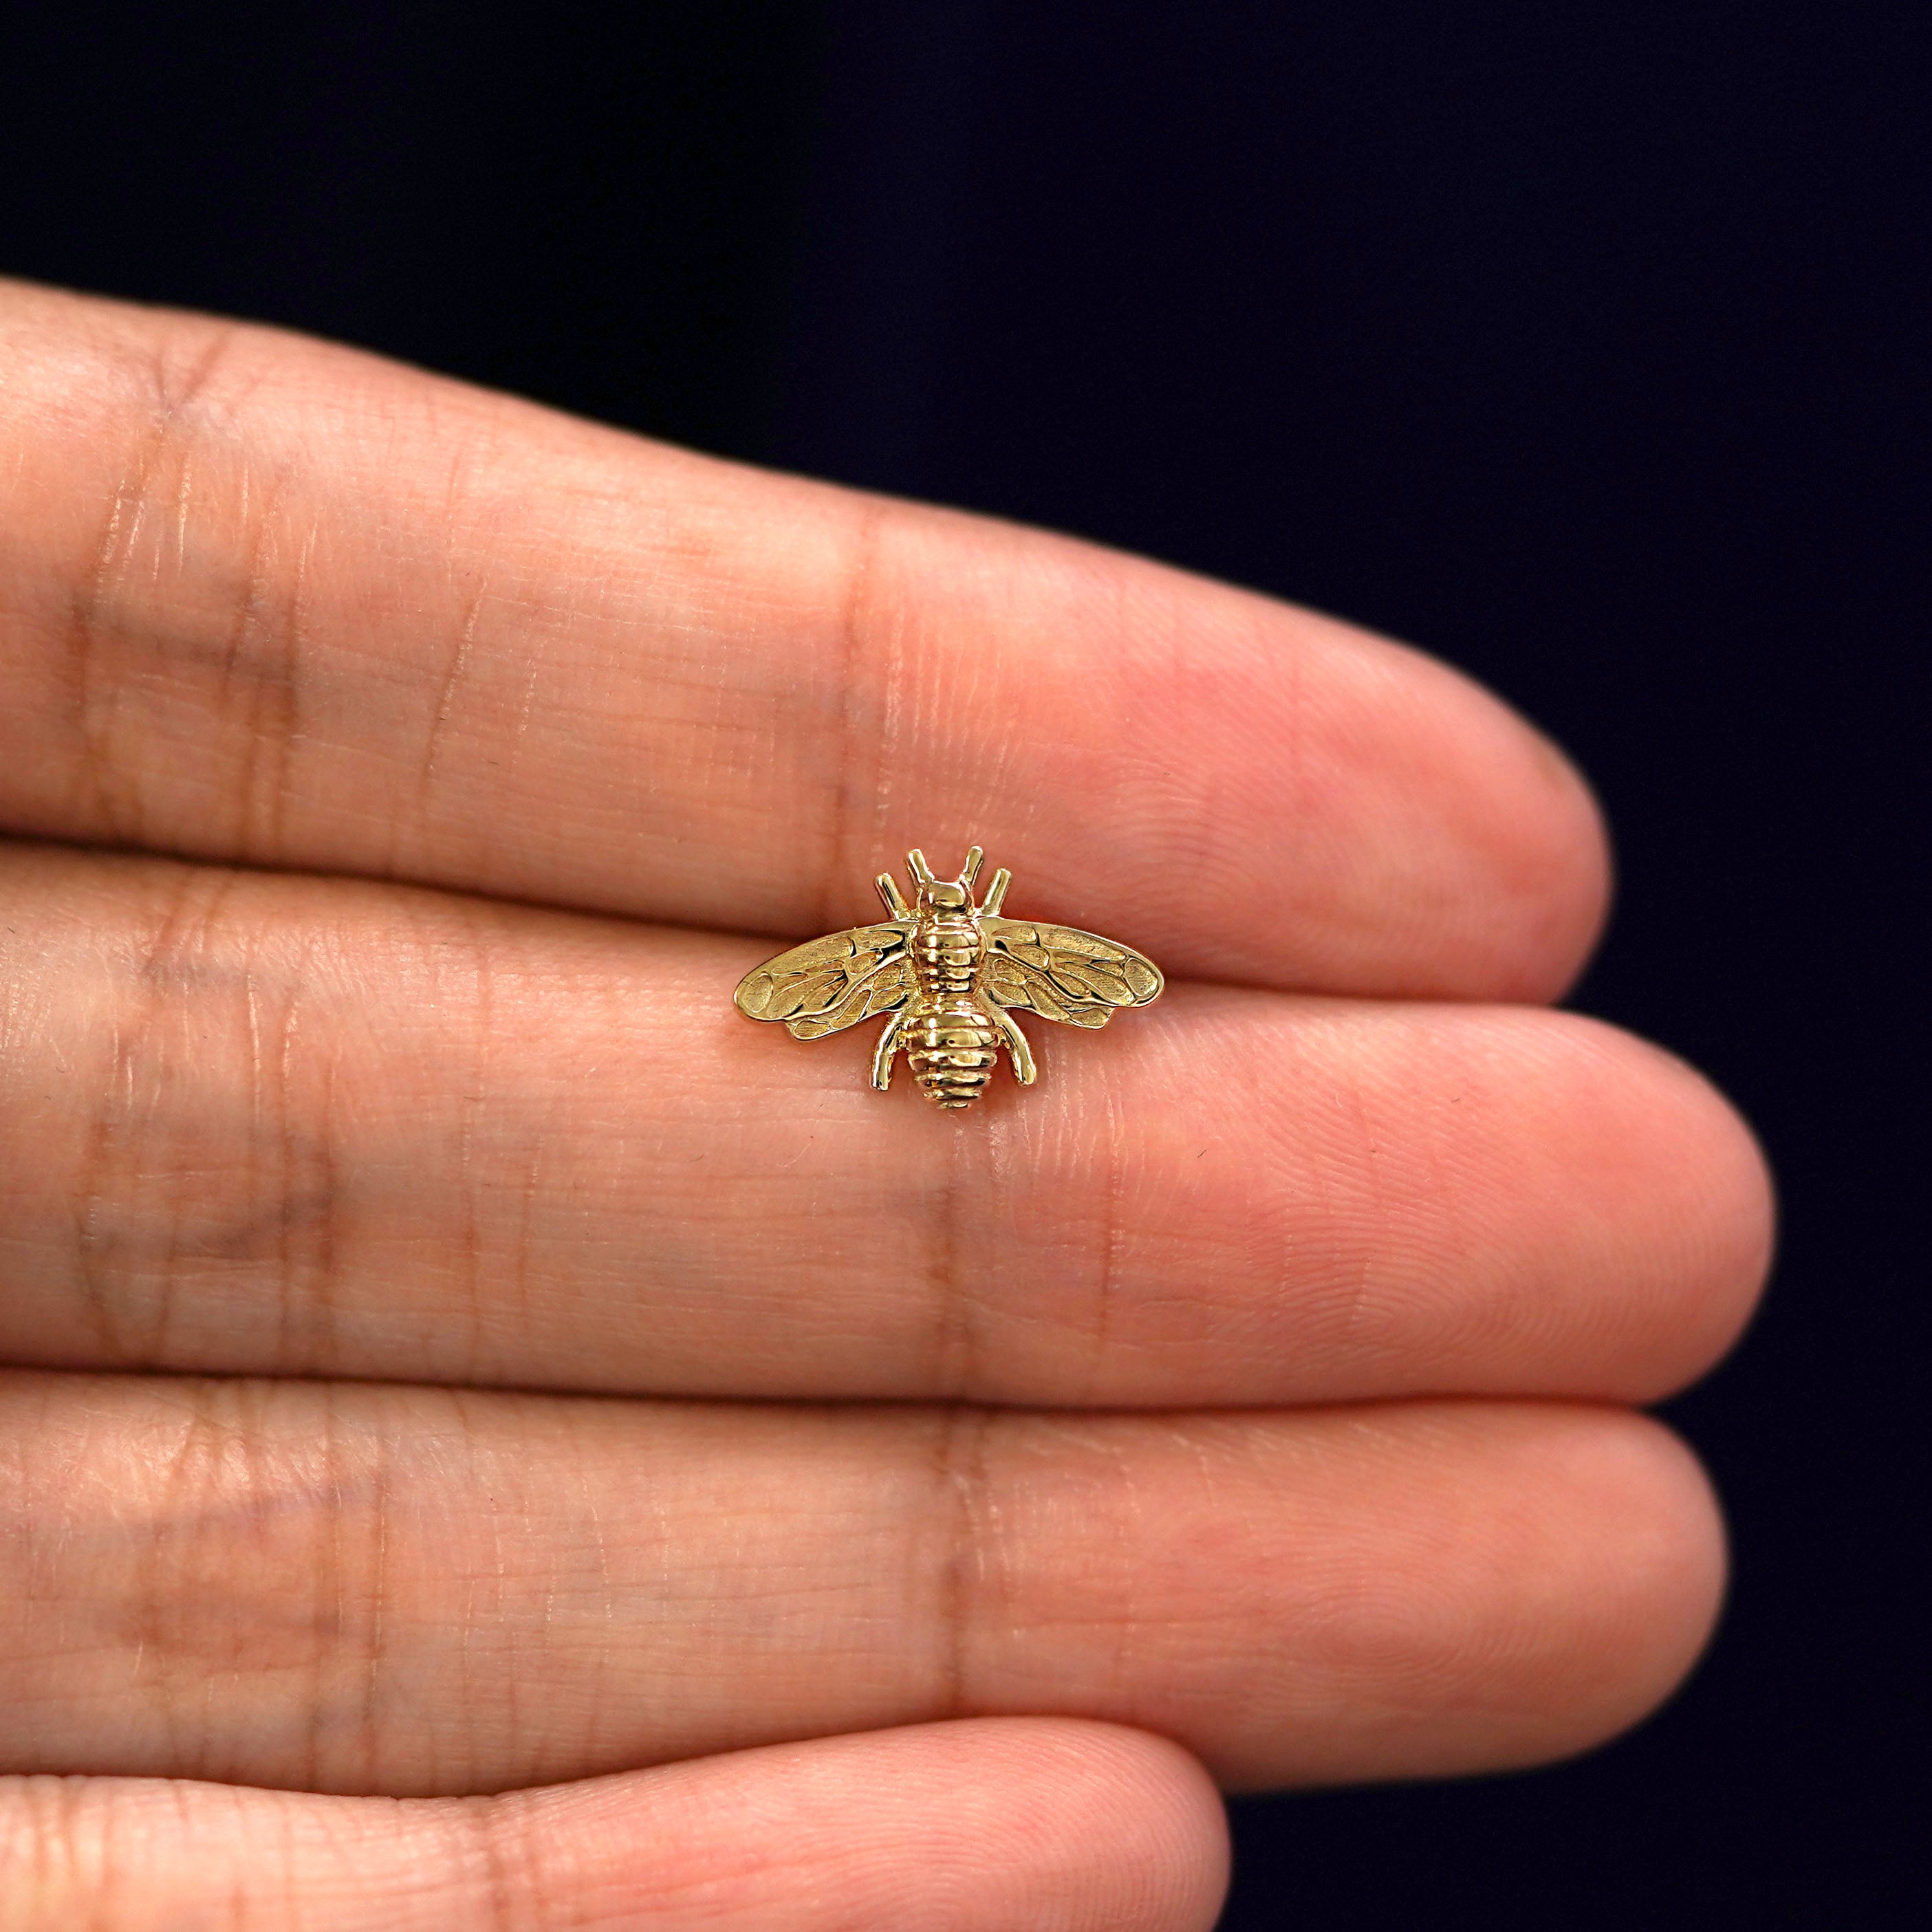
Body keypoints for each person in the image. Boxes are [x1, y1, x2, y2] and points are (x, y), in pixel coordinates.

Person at [0, 279, 1771, 1931]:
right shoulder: (947, 967)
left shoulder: (954, 967)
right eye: (946, 936)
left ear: (957, 944)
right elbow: (863, 991)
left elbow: (982, 987)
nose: (950, 940)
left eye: (955, 936)